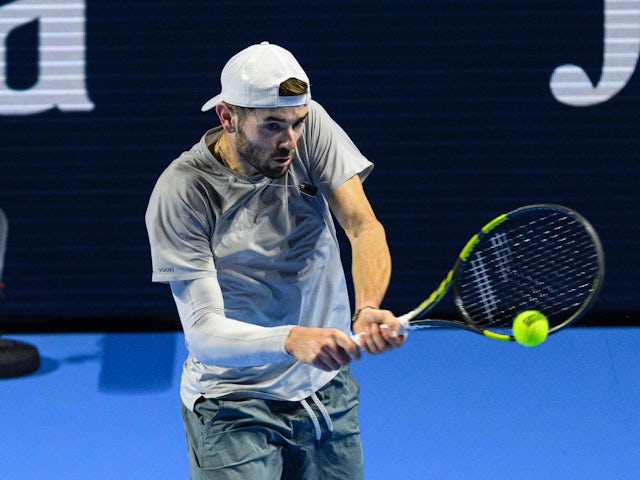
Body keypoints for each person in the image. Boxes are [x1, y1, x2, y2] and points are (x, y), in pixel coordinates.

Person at [145, 41, 405, 479]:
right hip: (234, 403)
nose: (290, 141)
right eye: (271, 126)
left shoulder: (308, 126)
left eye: (297, 123)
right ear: (227, 117)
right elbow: (205, 333)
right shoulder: (182, 192)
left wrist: (367, 308)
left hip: (326, 391)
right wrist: (291, 339)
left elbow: (363, 227)